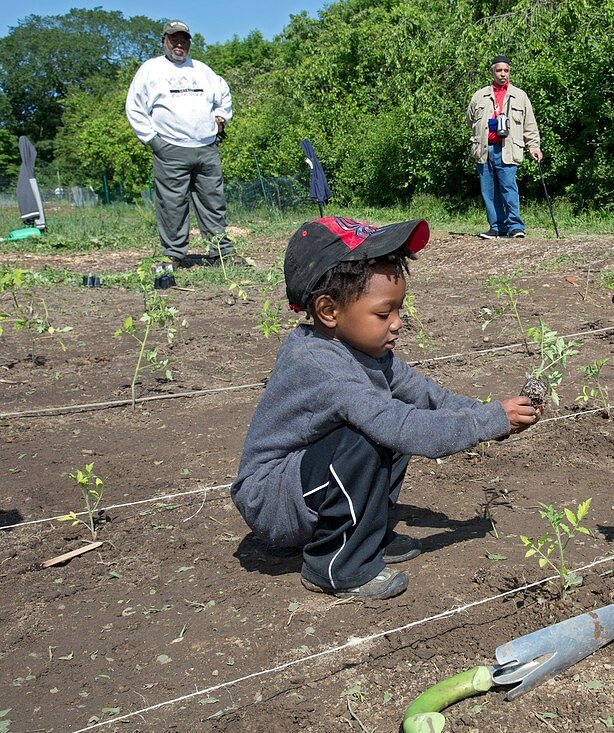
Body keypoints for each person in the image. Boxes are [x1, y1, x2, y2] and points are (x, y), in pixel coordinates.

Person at [231, 216, 540, 600]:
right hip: (275, 499)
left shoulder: (367, 351)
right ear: (329, 311)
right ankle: (336, 564)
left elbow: (430, 397)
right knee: (373, 433)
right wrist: (490, 420)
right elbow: (404, 427)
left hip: (306, 485)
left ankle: (367, 535)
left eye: (399, 310)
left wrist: (494, 415)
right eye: (383, 313)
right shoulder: (319, 362)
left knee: (385, 425)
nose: (397, 323)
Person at [125, 19, 235, 269]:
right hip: (170, 148)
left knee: (213, 202)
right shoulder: (150, 70)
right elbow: (134, 107)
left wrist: (221, 117)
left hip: (206, 148)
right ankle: (173, 254)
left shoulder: (203, 70)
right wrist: (153, 141)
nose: (179, 44)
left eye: (184, 39)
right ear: (164, 40)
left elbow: (224, 95)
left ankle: (220, 252)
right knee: (172, 205)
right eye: (173, 38)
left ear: (189, 42)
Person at [467, 55, 542, 239]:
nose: (503, 74)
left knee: (509, 188)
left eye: (506, 70)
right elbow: (470, 120)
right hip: (485, 150)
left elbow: (529, 125)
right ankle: (496, 227)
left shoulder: (520, 96)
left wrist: (534, 147)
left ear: (509, 72)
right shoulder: (479, 95)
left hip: (508, 148)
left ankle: (515, 226)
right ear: (492, 72)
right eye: (499, 70)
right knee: (489, 191)